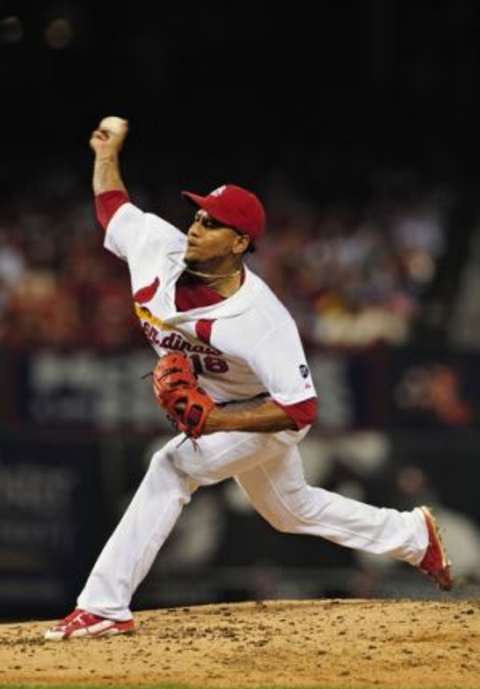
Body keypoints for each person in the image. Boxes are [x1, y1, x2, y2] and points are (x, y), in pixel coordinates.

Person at [44, 117, 453, 640]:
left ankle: (104, 604)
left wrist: (216, 421)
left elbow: (302, 409)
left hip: (267, 414)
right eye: (196, 216)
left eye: (211, 223)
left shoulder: (261, 318)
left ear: (239, 242)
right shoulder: (154, 245)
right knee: (291, 509)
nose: (195, 226)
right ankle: (413, 535)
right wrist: (106, 152)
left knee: (171, 465)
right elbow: (112, 208)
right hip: (225, 405)